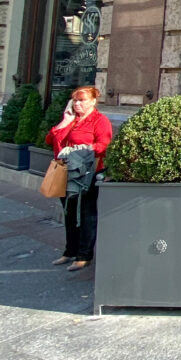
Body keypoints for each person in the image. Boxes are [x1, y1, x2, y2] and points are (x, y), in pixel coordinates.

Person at [46, 86, 113, 271]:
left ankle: (84, 255)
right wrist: (64, 122)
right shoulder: (71, 119)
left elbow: (104, 145)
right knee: (69, 213)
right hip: (65, 172)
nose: (77, 104)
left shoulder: (100, 121)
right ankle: (69, 251)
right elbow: (51, 141)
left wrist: (85, 148)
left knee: (85, 215)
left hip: (86, 173)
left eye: (81, 100)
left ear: (92, 101)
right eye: (74, 100)